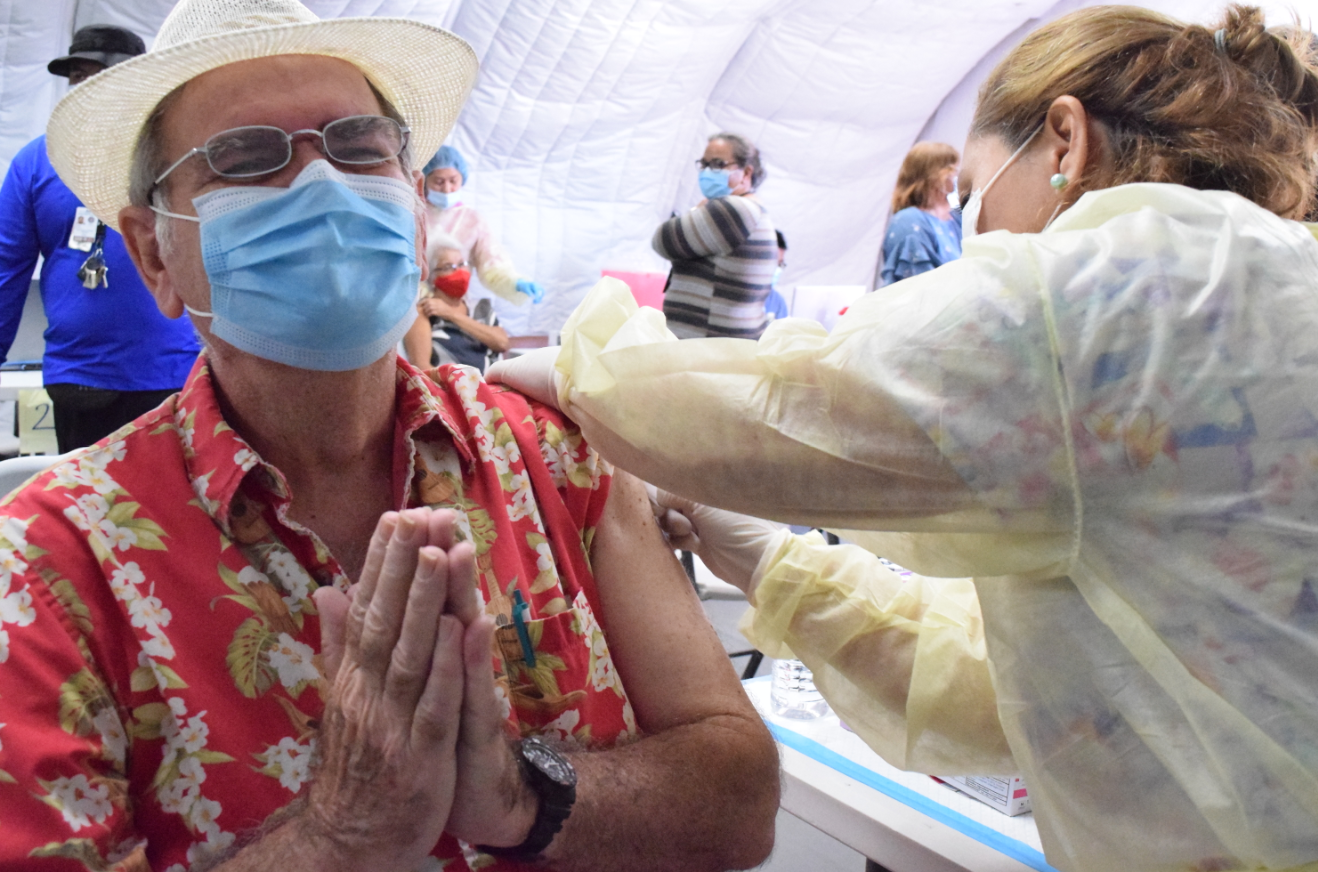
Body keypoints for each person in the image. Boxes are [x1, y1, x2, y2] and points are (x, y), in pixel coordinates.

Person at [490, 6, 1318, 872]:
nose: (976, 236)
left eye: (976, 196)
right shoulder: (1264, 291)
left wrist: (593, 375)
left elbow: (806, 404)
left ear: (1065, 141)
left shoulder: (1127, 283)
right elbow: (1025, 689)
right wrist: (775, 566)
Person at [0, 2, 780, 871]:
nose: (323, 187)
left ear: (412, 205)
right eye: (246, 158)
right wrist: (344, 834)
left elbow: (742, 803)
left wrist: (527, 796)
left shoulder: (553, 457)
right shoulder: (50, 565)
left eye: (361, 146)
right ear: (153, 257)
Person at [0, 25, 201, 452]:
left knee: (172, 513)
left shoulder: (176, 153)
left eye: (98, 74)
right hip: (79, 377)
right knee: (89, 513)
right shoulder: (36, 160)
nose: (83, 88)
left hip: (173, 374)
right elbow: (5, 269)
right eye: (76, 77)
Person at [657, 133, 777, 339]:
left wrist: (696, 211)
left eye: (718, 164)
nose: (707, 172)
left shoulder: (734, 209)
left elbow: (663, 240)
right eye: (704, 164)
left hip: (710, 348)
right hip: (714, 344)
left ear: (746, 172)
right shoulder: (752, 210)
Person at [422, 145, 545, 306]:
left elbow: (491, 264)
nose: (447, 189)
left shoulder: (472, 220)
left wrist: (515, 283)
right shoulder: (412, 215)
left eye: (453, 181)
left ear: (462, 179)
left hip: (454, 301)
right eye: (439, 182)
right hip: (413, 303)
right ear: (424, 181)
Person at [417, 229, 511, 370]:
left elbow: (502, 343)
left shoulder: (481, 307)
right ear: (432, 277)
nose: (459, 271)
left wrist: (451, 314)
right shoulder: (425, 310)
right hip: (451, 389)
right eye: (448, 266)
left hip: (493, 386)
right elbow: (422, 368)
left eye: (462, 264)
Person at [879, 141, 962, 285]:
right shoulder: (908, 221)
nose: (957, 174)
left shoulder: (955, 218)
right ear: (935, 174)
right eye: (953, 169)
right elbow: (917, 286)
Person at [763, 230, 789, 321]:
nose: (777, 269)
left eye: (780, 264)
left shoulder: (777, 301)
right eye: (773, 263)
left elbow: (784, 334)